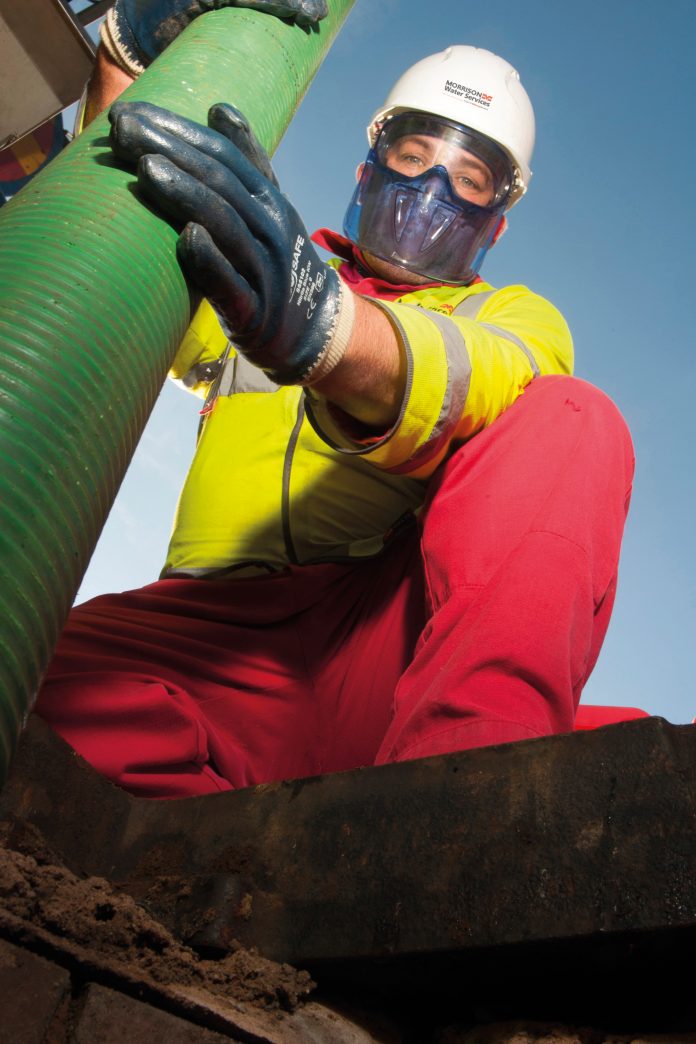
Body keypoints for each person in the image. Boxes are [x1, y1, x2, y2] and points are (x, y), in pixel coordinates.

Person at [34, 2, 635, 799]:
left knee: (576, 419)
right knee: (38, 700)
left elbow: (478, 377)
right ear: (369, 170)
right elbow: (121, 275)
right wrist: (120, 61)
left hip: (389, 650)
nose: (431, 190)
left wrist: (331, 330)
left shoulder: (506, 315)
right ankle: (242, 868)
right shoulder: (262, 273)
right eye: (414, 157)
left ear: (493, 226)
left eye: (468, 182)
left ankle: (467, 800)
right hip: (209, 636)